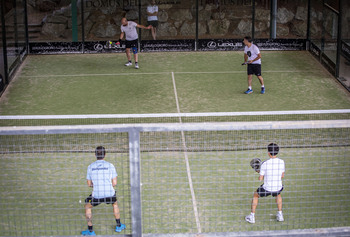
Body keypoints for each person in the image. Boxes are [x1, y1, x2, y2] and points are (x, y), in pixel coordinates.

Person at [81, 146, 126, 236]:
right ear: (105, 154)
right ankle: (119, 226)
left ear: (95, 155)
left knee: (87, 207)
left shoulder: (90, 167)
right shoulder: (110, 165)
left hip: (97, 195)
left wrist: (97, 184)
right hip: (110, 193)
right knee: (115, 204)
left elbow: (89, 184)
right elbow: (114, 183)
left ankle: (90, 231)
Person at [245, 143, 285, 224]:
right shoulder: (281, 162)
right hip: (278, 186)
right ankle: (280, 215)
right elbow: (282, 176)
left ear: (268, 153)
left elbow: (260, 178)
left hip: (267, 188)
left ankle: (252, 217)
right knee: (278, 194)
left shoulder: (264, 164)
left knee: (256, 195)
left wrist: (258, 171)